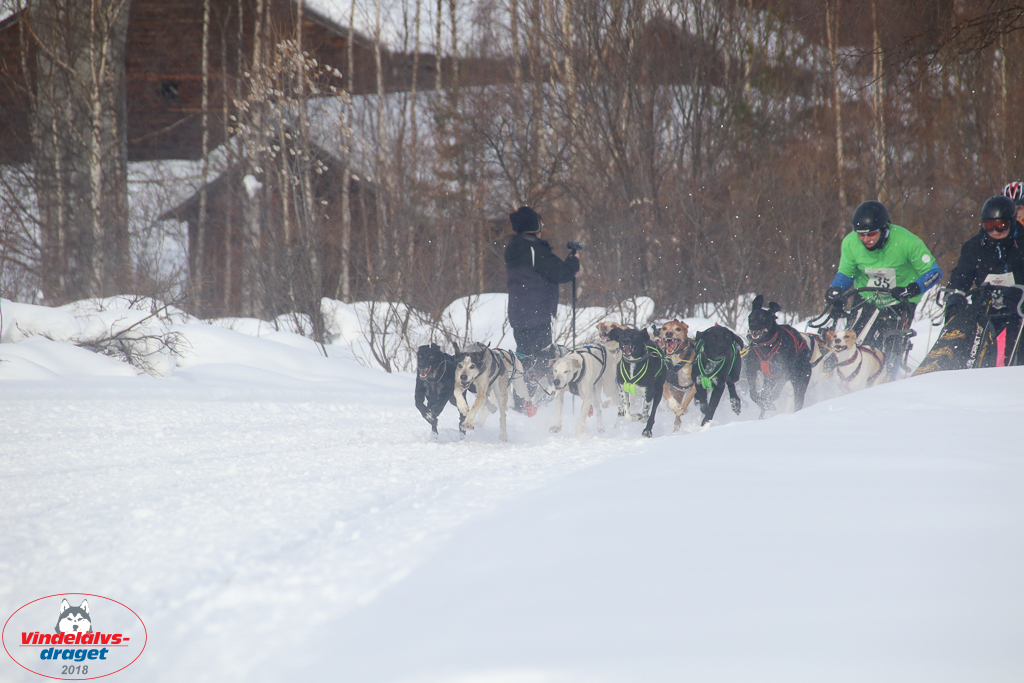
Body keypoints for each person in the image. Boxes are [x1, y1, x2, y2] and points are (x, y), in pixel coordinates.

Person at [824, 200, 942, 378]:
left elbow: (934, 272)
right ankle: (844, 382)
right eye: (861, 235)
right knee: (855, 341)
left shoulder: (906, 241)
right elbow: (847, 273)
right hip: (866, 297)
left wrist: (913, 288)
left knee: (890, 345)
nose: (866, 239)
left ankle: (887, 381)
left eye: (871, 234)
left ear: (884, 229)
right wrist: (836, 289)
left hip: (900, 299)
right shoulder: (850, 243)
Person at [505, 205, 580, 393]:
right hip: (536, 313)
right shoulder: (534, 249)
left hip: (518, 313)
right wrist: (573, 261)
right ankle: (540, 398)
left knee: (523, 356)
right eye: (540, 225)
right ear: (534, 227)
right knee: (542, 357)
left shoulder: (513, 247)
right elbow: (561, 273)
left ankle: (522, 398)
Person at [945, 194, 1024, 366]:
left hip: (1019, 307)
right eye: (989, 226)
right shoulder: (974, 247)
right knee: (969, 330)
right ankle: (956, 366)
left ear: (1011, 223)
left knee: (1017, 344)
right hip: (984, 306)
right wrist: (955, 297)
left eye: (1000, 226)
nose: (995, 231)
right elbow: (961, 277)